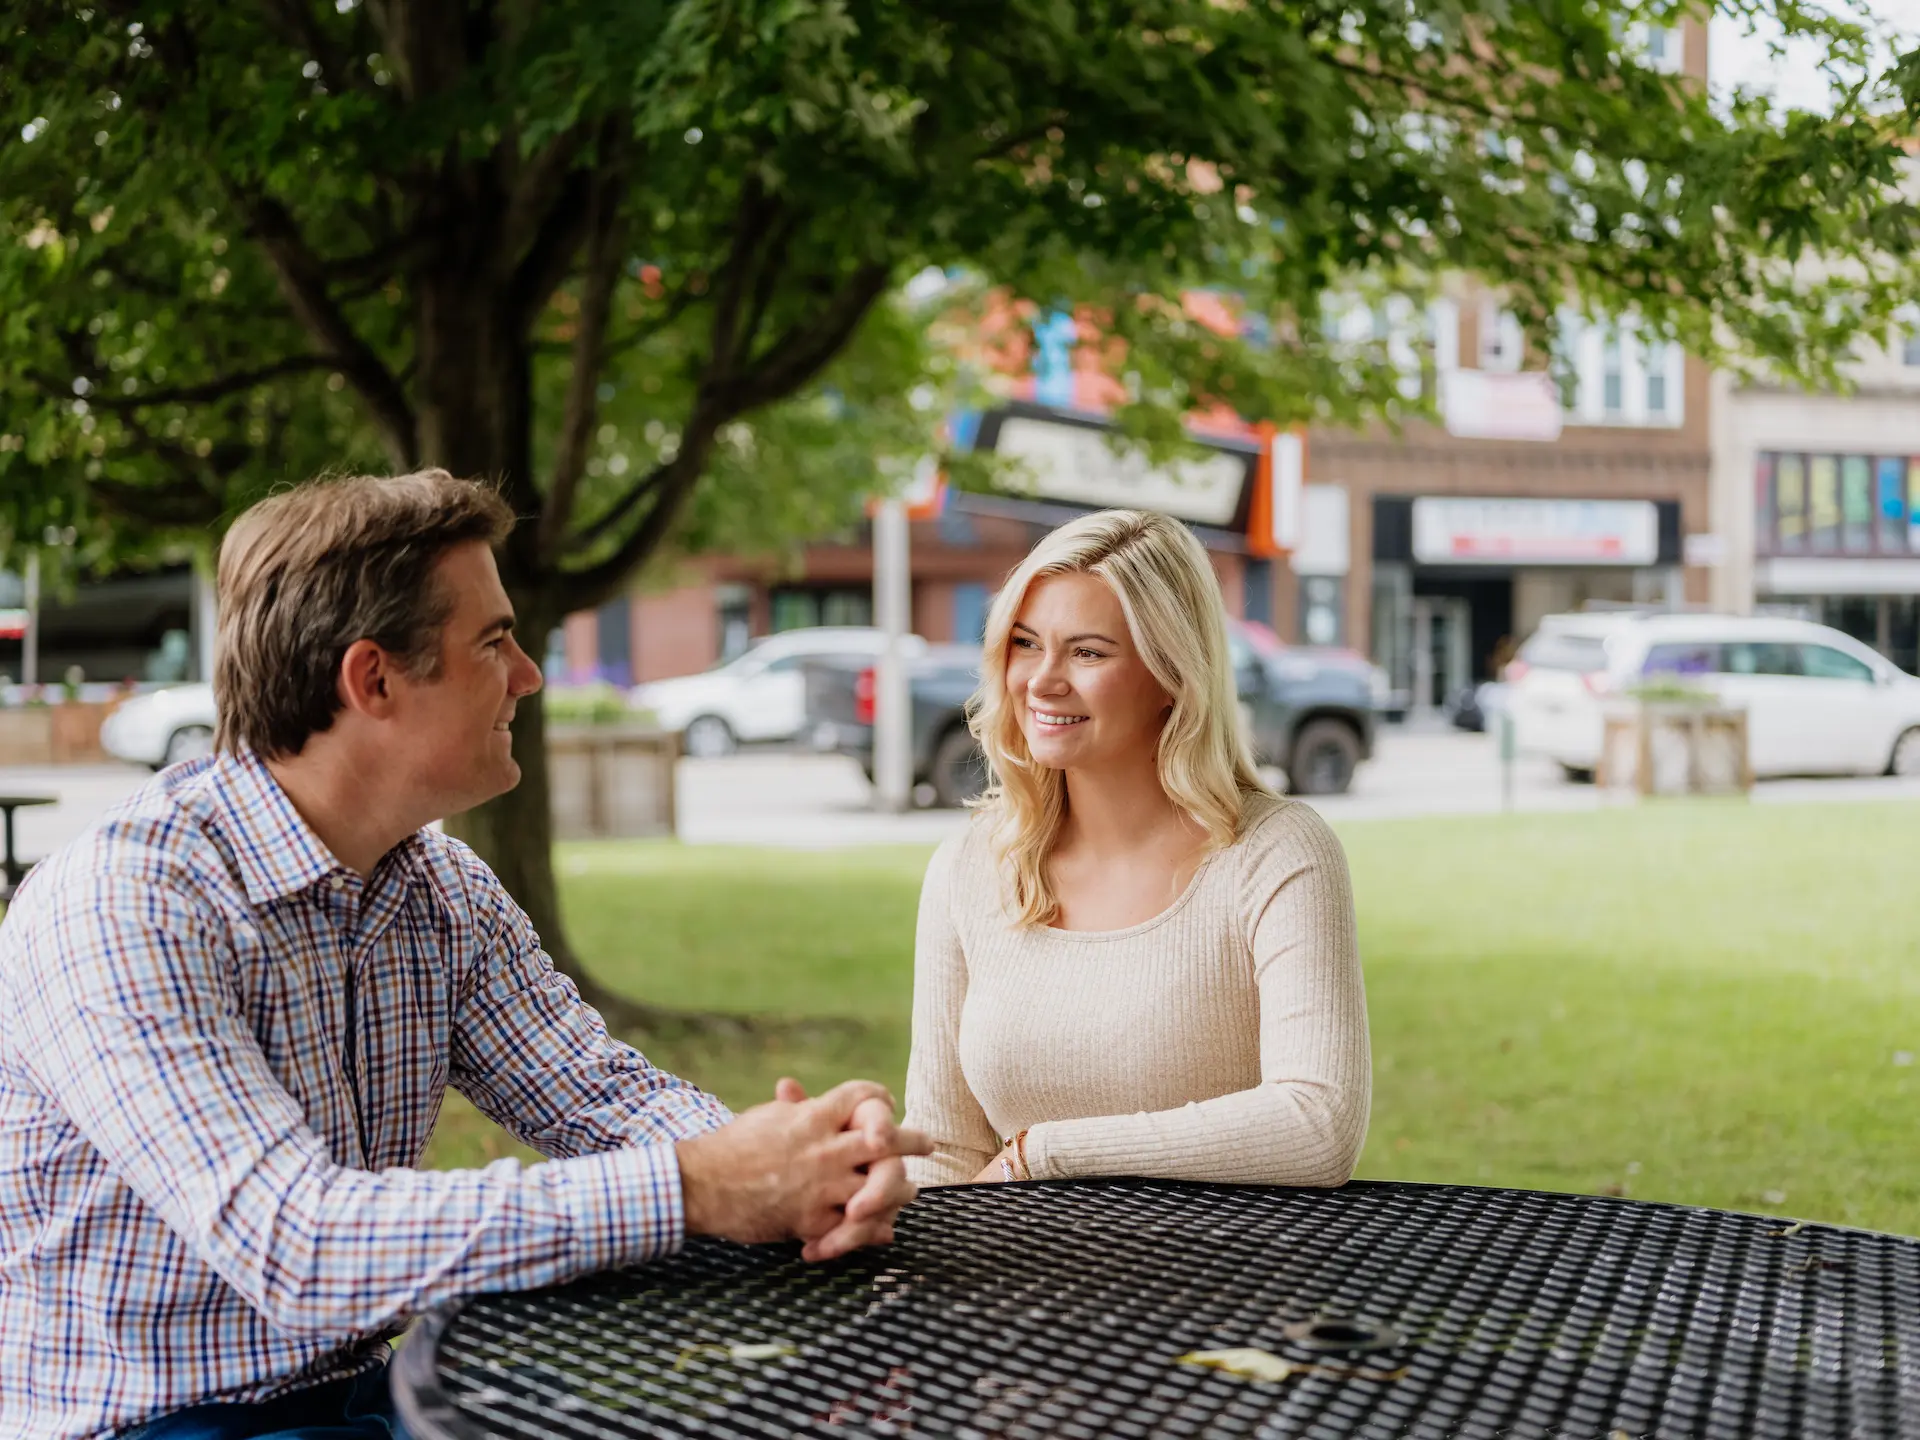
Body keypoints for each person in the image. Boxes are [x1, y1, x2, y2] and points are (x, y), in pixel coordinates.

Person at [0, 471, 928, 1440]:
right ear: (374, 680)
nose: (529, 675)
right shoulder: (124, 906)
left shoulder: (438, 891)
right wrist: (704, 1184)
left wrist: (812, 1162)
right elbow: (296, 1242)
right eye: (493, 642)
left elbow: (599, 1097)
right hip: (149, 1421)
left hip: (373, 1390)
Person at [902, 509, 1370, 1188]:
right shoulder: (968, 869)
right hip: (1008, 1290)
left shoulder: (1277, 854)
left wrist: (1048, 1154)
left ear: (1172, 672)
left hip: (1221, 1286)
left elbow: (1317, 1124)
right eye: (1026, 643)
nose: (1041, 679)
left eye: (1087, 651)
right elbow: (945, 1150)